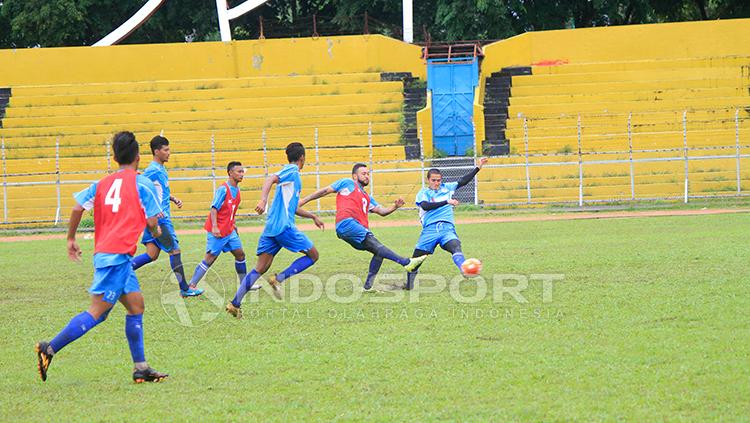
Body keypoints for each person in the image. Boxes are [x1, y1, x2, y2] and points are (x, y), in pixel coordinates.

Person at [35, 131, 168, 383]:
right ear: (138, 157)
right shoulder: (143, 184)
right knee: (98, 312)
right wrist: (157, 230)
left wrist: (71, 238)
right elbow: (152, 222)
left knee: (136, 305)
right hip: (117, 256)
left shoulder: (102, 183)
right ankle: (49, 348)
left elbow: (76, 207)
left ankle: (141, 367)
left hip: (111, 254)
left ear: (115, 157)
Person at [226, 142, 324, 318]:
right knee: (313, 255)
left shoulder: (290, 179)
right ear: (302, 157)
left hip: (271, 229)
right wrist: (263, 200)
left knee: (259, 268)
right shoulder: (292, 171)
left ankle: (235, 304)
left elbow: (292, 207)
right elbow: (270, 178)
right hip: (284, 227)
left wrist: (312, 216)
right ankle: (278, 279)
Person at [299, 163, 427, 291]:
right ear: (355, 176)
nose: (367, 176)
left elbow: (382, 212)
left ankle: (367, 287)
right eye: (363, 174)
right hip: (347, 223)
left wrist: (395, 207)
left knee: (378, 252)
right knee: (378, 246)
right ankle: (406, 262)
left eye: (368, 174)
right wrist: (304, 200)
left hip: (354, 229)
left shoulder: (367, 197)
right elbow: (325, 191)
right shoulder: (348, 183)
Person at [130, 136, 201, 297]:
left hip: (154, 216)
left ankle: (119, 272)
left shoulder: (161, 169)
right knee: (175, 251)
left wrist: (172, 198)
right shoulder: (153, 169)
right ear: (157, 151)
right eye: (166, 150)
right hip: (160, 218)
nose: (169, 153)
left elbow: (157, 189)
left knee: (152, 255)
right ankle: (185, 289)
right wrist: (135, 175)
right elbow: (140, 186)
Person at [405, 157, 488, 290]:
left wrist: (478, 168)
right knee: (415, 261)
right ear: (428, 180)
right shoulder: (423, 193)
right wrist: (446, 202)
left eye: (438, 180)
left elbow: (463, 181)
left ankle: (464, 268)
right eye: (434, 180)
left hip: (447, 228)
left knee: (455, 246)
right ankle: (408, 286)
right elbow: (425, 206)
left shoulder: (447, 188)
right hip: (430, 230)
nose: (437, 183)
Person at [186, 162, 256, 294]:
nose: (242, 174)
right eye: (238, 172)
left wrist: (233, 224)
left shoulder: (238, 190)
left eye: (242, 172)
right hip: (218, 230)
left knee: (240, 254)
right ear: (230, 173)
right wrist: (215, 227)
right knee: (210, 257)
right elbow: (214, 209)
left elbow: (230, 211)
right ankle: (191, 286)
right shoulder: (223, 189)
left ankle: (244, 285)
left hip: (229, 230)